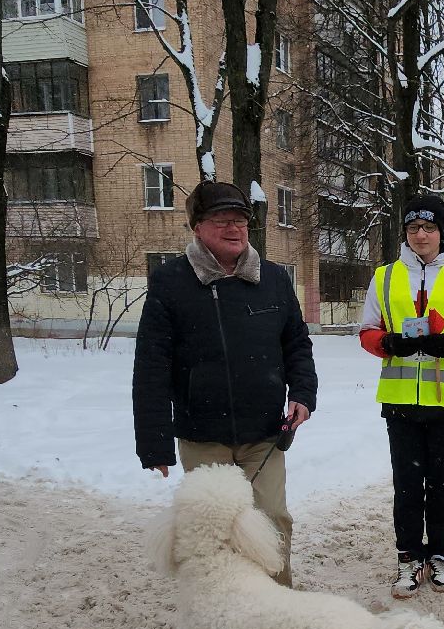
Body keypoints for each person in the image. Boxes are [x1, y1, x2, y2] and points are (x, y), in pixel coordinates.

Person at [132, 180, 317, 586]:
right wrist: (154, 444)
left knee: (271, 519)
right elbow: (151, 366)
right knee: (213, 528)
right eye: (221, 220)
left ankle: (277, 603)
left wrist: (302, 393)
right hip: (203, 435)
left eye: (240, 221)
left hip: (263, 432)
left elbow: (296, 343)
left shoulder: (271, 278)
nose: (234, 228)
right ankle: (218, 606)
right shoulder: (171, 282)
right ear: (197, 226)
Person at [358, 193, 444, 597]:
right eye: (414, 228)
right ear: (405, 233)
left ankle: (438, 554)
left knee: (439, 483)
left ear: (442, 232)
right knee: (406, 483)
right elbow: (367, 330)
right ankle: (407, 557)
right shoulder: (384, 276)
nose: (421, 235)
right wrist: (389, 343)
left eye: (430, 227)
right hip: (401, 399)